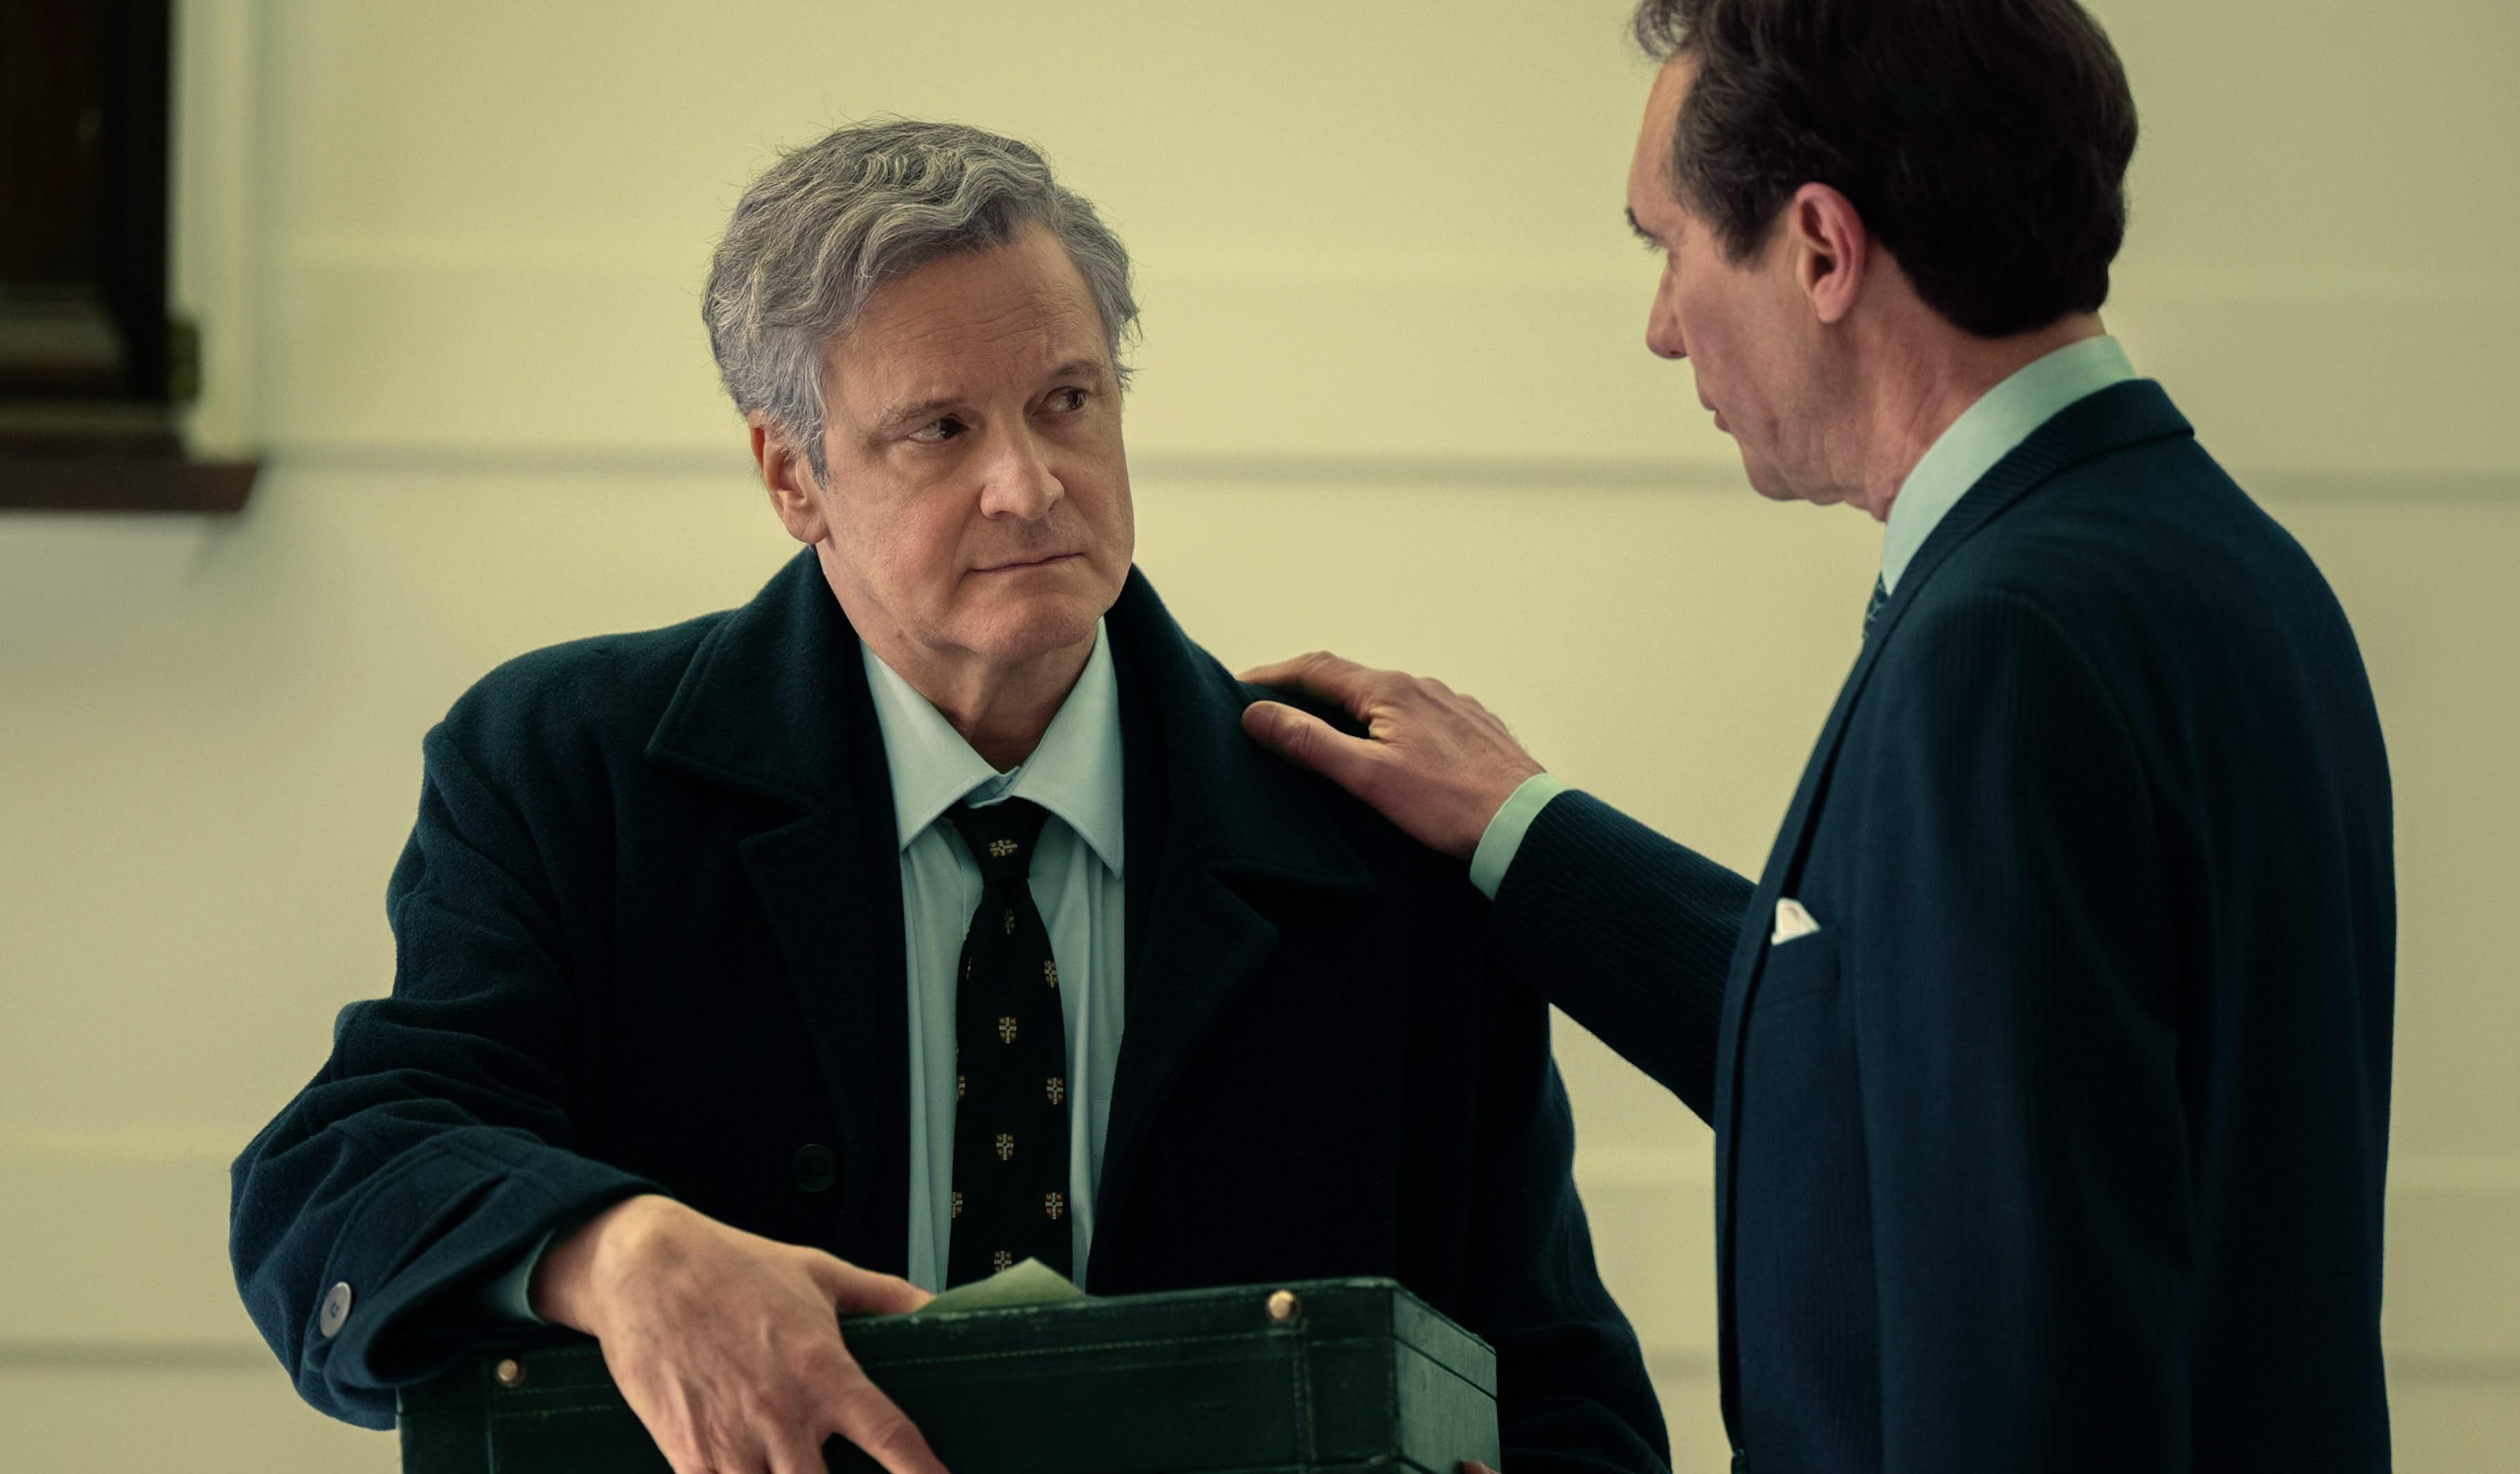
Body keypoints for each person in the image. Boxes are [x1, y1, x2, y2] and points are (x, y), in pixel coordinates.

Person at [229, 119, 1669, 1474]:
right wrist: (615, 1252)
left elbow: (1561, 1405)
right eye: (940, 431)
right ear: (792, 476)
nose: (1029, 487)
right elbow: (336, 1184)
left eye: (1066, 403)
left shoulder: (1375, 831)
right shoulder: (569, 769)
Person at [1239, 0, 2397, 1470]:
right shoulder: (2228, 566)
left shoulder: (2000, 647)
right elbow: (1907, 1069)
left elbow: (2015, 1360)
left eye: (1667, 248)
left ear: (1822, 250)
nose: (1663, 330)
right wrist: (1526, 829)